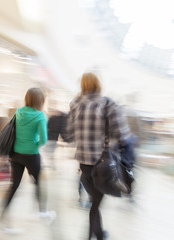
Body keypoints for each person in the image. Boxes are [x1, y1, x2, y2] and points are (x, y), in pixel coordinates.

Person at [66, 72, 129, 240]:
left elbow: (69, 135)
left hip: (83, 163)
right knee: (96, 202)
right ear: (98, 84)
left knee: (95, 198)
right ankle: (88, 236)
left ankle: (100, 233)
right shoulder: (108, 103)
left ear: (82, 85)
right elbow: (121, 134)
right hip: (103, 163)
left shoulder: (74, 104)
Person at [0, 88, 56, 232]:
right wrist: (33, 144)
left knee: (14, 185)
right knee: (39, 182)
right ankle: (42, 212)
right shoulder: (40, 116)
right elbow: (43, 140)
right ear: (40, 100)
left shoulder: (18, 112)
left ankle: (1, 217)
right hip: (31, 155)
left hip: (15, 154)